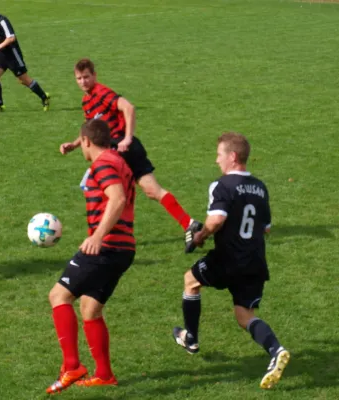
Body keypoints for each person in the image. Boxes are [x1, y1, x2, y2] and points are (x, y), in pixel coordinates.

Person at [172, 132, 290, 389]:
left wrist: (200, 236)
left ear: (233, 157)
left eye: (219, 155)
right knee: (245, 315)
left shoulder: (222, 185)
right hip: (255, 261)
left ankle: (191, 339)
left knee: (190, 280)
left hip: (228, 259)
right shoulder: (260, 187)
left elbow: (216, 220)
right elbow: (266, 228)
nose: (217, 160)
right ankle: (276, 350)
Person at [60, 58, 201, 253]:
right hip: (125, 150)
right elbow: (91, 131)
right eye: (79, 78)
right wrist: (74, 144)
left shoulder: (101, 92)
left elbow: (128, 107)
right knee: (152, 190)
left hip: (121, 149)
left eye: (86, 77)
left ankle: (100, 237)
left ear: (94, 76)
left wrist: (127, 138)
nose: (83, 81)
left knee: (94, 187)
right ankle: (189, 224)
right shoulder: (86, 101)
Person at [46, 119, 136, 394]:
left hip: (106, 246)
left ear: (86, 140)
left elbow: (117, 198)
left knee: (58, 296)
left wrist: (97, 236)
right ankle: (105, 375)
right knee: (90, 309)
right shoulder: (118, 160)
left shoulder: (103, 163)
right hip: (124, 248)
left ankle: (72, 366)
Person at [0, 1, 50, 112]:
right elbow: (1, 39)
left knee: (24, 80)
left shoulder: (2, 21)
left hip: (12, 56)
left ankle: (44, 97)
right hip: (2, 56)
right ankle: (0, 105)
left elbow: (11, 38)